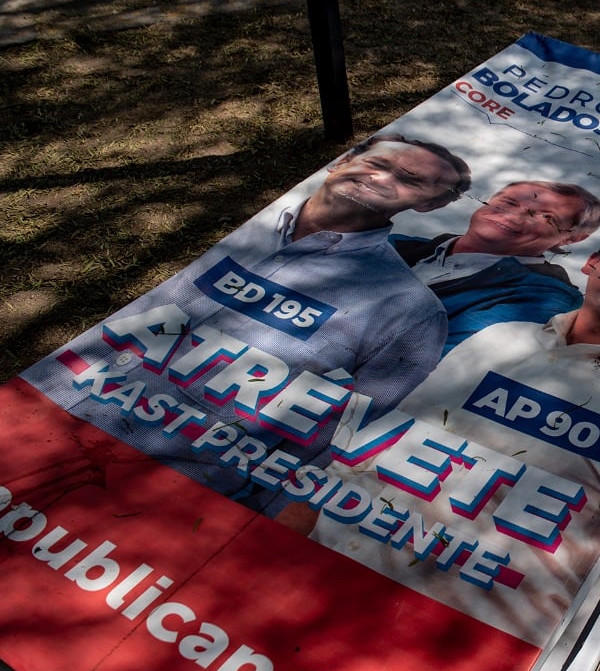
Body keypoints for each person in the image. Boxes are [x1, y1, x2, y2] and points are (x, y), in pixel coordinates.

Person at [305, 223, 600, 644]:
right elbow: (374, 446)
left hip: (458, 631)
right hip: (318, 566)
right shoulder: (502, 337)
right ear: (593, 262)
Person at [20, 134, 472, 516]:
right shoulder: (203, 212)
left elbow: (335, 436)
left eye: (409, 181)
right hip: (42, 412)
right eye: (376, 164)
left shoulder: (410, 310)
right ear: (343, 161)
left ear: (429, 205)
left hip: (167, 488)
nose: (381, 179)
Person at [390, 180, 600, 353]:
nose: (514, 215)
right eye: (509, 202)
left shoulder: (547, 299)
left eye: (546, 216)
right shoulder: (390, 243)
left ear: (573, 238)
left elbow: (441, 362)